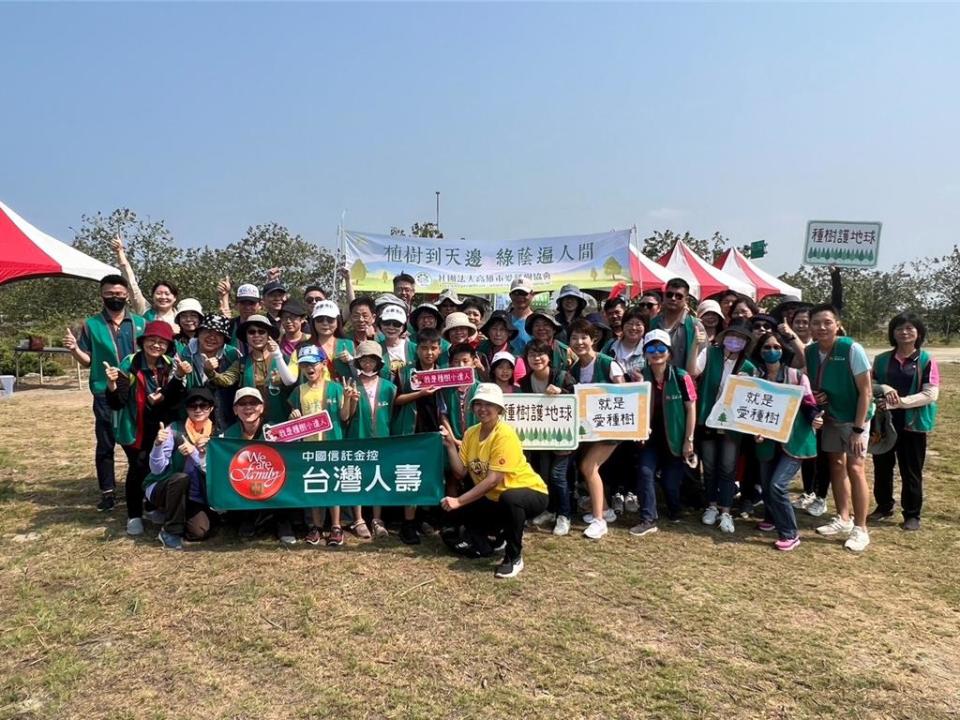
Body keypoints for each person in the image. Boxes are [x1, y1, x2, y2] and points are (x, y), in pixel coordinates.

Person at [440, 383, 549, 579]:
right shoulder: (471, 433)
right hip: (495, 496)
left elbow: (492, 480)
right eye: (478, 404)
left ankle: (514, 557)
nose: (483, 408)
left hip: (530, 493)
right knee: (464, 508)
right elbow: (460, 472)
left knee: (509, 498)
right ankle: (494, 540)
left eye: (489, 404)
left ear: (499, 408)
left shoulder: (505, 435)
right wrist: (449, 446)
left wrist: (459, 500)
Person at [63, 274, 147, 512]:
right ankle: (108, 492)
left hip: (133, 390)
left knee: (136, 441)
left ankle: (138, 486)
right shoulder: (92, 325)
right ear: (102, 295)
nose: (115, 298)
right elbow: (88, 360)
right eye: (110, 294)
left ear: (127, 295)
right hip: (104, 391)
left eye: (120, 294)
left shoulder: (140, 323)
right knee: (106, 442)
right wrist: (74, 350)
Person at [104, 320, 188, 536]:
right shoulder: (130, 363)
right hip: (135, 425)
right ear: (143, 342)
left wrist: (177, 379)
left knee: (159, 466)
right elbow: (118, 401)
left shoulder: (171, 363)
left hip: (162, 425)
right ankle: (134, 514)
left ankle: (152, 506)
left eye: (162, 342)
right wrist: (112, 385)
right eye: (152, 340)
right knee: (138, 467)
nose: (157, 346)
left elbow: (176, 396)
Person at [806, 304, 874, 552]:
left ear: (837, 324)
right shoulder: (811, 351)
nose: (821, 327)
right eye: (816, 323)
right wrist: (819, 395)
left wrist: (858, 429)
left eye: (827, 322)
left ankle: (861, 528)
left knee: (856, 468)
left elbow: (866, 391)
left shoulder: (851, 348)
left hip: (855, 419)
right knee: (836, 465)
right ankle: (843, 518)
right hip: (832, 418)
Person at [753, 332, 823, 551]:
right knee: (766, 484)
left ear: (783, 351)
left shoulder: (796, 377)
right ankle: (772, 517)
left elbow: (809, 404)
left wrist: (815, 418)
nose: (771, 351)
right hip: (766, 438)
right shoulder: (756, 377)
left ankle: (790, 533)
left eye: (776, 347)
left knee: (777, 485)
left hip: (795, 439)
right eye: (766, 347)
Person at [870, 312, 939, 531]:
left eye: (910, 328)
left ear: (918, 332)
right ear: (893, 333)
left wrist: (900, 403)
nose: (904, 332)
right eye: (899, 328)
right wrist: (884, 389)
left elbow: (931, 394)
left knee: (911, 469)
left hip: (912, 423)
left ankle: (912, 514)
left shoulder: (926, 360)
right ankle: (883, 506)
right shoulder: (881, 360)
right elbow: (868, 385)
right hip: (883, 422)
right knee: (881, 465)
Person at [285, 345, 352, 545]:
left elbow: (345, 417)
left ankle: (336, 526)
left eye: (313, 364)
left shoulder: (335, 388)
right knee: (315, 484)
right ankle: (315, 526)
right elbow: (294, 421)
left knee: (334, 485)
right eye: (304, 365)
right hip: (309, 446)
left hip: (332, 443)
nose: (309, 368)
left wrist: (348, 399)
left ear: (323, 365)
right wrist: (293, 416)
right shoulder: (299, 391)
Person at [632, 330, 697, 535]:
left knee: (670, 483)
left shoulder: (681, 376)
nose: (656, 353)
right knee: (645, 472)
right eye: (651, 348)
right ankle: (648, 518)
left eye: (661, 348)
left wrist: (689, 440)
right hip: (649, 439)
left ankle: (675, 508)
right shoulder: (640, 377)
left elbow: (691, 409)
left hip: (675, 439)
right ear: (645, 353)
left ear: (669, 352)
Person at [696, 319, 756, 534]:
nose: (735, 340)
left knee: (728, 467)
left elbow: (753, 397)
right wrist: (697, 344)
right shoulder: (710, 355)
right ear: (723, 337)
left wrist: (747, 381)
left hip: (732, 425)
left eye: (741, 338)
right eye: (732, 335)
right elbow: (694, 370)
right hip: (707, 419)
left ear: (746, 342)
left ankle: (726, 510)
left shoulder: (748, 366)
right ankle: (711, 505)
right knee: (710, 467)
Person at [568, 318, 626, 539]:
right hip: (589, 430)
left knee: (588, 466)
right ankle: (606, 510)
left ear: (593, 339)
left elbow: (625, 394)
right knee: (589, 467)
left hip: (610, 429)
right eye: (574, 337)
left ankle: (599, 520)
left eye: (584, 337)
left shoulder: (607, 363)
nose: (579, 342)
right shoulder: (574, 367)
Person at [146, 387, 219, 549]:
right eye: (193, 406)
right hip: (164, 485)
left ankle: (177, 513)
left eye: (203, 405)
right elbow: (157, 470)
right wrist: (157, 445)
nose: (198, 409)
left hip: (195, 493)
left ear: (211, 408)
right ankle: (170, 531)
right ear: (187, 409)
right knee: (181, 478)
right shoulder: (173, 431)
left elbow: (214, 471)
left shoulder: (216, 434)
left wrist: (195, 453)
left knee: (199, 532)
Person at [393, 328, 444, 544]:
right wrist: (420, 394)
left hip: (436, 431)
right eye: (424, 348)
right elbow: (397, 399)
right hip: (412, 431)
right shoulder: (405, 372)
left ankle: (426, 518)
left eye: (433, 348)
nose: (429, 353)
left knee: (432, 476)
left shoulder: (444, 372)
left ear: (440, 350)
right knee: (410, 476)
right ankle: (408, 524)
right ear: (417, 350)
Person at [522, 340, 576, 536]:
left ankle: (565, 515)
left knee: (558, 476)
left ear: (549, 357)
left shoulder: (562, 377)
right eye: (532, 354)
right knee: (543, 476)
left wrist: (562, 392)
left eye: (541, 354)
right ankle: (550, 510)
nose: (536, 358)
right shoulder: (526, 381)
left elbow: (579, 399)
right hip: (540, 438)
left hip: (563, 438)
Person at [345, 341, 397, 539]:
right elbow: (346, 417)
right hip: (357, 437)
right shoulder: (351, 385)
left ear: (379, 363)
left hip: (381, 438)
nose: (368, 364)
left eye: (372, 360)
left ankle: (377, 519)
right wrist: (351, 400)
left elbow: (390, 414)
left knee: (378, 477)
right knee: (355, 476)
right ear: (358, 362)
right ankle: (358, 519)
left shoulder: (389, 387)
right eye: (364, 360)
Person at [207, 314, 297, 425]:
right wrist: (209, 370)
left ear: (269, 335)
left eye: (261, 331)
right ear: (246, 337)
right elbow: (225, 380)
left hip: (282, 422)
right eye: (251, 332)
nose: (256, 335)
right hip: (252, 423)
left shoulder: (283, 359)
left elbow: (296, 386)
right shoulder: (242, 363)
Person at [109, 234, 179, 329]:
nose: (163, 297)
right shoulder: (145, 310)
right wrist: (120, 252)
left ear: (174, 297)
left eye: (167, 294)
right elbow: (131, 284)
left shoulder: (181, 318)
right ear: (153, 296)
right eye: (159, 293)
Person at [650, 278, 703, 377]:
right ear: (664, 296)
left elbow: (702, 362)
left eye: (679, 296)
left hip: (683, 386)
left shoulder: (695, 326)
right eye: (669, 295)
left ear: (686, 300)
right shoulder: (652, 324)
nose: (673, 298)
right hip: (655, 384)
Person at [479, 311, 527, 382]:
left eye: (502, 329)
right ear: (488, 331)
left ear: (509, 333)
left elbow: (519, 385)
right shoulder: (479, 353)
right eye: (494, 329)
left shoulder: (516, 357)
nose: (498, 334)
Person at [603, 307, 645, 380]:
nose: (633, 328)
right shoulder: (610, 345)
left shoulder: (648, 349)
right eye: (630, 323)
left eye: (638, 325)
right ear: (623, 325)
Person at [377, 304, 417, 381]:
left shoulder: (414, 348)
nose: (391, 327)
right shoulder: (376, 349)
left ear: (403, 327)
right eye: (387, 323)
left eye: (397, 324)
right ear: (380, 325)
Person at [507, 277, 536, 354]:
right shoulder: (503, 320)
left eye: (523, 293)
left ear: (532, 295)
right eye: (516, 293)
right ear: (510, 295)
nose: (520, 297)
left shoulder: (539, 321)